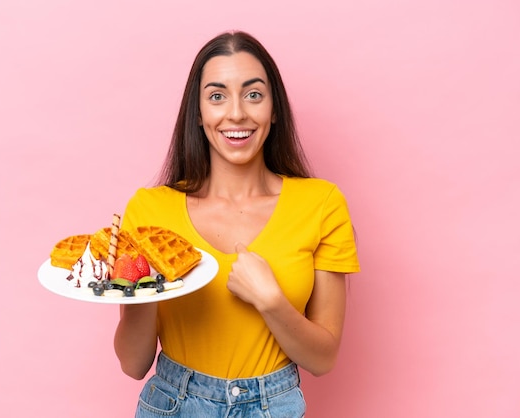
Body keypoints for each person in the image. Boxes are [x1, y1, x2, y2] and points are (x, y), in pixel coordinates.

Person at [114, 30, 360, 417]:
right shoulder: (149, 211)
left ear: (274, 109)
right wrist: (146, 289)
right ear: (197, 113)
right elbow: (133, 364)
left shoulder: (322, 204)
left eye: (253, 94)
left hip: (273, 406)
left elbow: (323, 359)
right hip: (174, 404)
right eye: (216, 96)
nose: (236, 113)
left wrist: (271, 302)